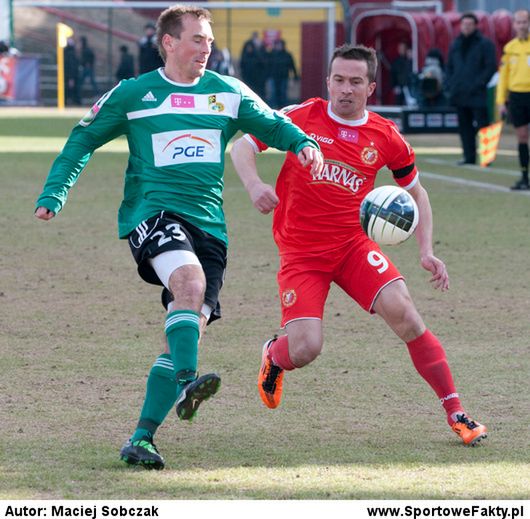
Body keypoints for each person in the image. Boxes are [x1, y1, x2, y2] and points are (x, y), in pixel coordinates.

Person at [35, 5, 323, 471]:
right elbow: (81, 139)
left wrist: (302, 143)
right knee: (187, 284)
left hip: (210, 229)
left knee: (184, 328)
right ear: (169, 42)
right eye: (196, 39)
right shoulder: (134, 94)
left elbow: (272, 123)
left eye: (209, 41)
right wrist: (56, 191)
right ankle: (190, 381)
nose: (206, 48)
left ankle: (141, 438)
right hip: (153, 213)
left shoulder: (227, 92)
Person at [230, 43, 488, 447]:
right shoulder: (302, 117)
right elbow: (243, 145)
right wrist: (254, 184)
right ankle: (274, 355)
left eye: (354, 82)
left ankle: (456, 411)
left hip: (353, 246)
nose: (344, 89)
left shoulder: (385, 135)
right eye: (337, 80)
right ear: (328, 81)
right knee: (306, 349)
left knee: (406, 315)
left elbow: (417, 194)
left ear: (370, 87)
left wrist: (426, 251)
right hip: (301, 253)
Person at [445, 12, 497, 165]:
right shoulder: (455, 44)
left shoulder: (485, 43)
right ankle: (469, 157)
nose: (466, 27)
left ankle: (487, 158)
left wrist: (479, 83)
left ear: (475, 26)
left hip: (477, 93)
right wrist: (451, 83)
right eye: (464, 24)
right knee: (464, 127)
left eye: (469, 24)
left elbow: (490, 67)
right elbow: (449, 66)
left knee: (483, 126)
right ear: (460, 26)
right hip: (459, 92)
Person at [496, 9, 530, 190]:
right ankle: (525, 177)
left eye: (524, 22)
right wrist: (501, 100)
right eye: (518, 22)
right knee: (522, 136)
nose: (522, 25)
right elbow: (504, 77)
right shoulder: (510, 48)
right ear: (514, 25)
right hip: (517, 96)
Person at [269, 39, 298, 108]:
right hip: (274, 77)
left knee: (283, 93)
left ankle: (283, 108)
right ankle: (274, 108)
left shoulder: (287, 55)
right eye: (277, 45)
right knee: (273, 93)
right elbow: (267, 66)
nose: (278, 46)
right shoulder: (271, 54)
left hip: (284, 77)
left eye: (280, 45)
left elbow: (292, 65)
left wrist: (295, 76)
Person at [390, 41, 413, 106]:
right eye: (400, 48)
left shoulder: (410, 61)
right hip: (399, 87)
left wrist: (410, 60)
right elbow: (393, 74)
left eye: (403, 48)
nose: (401, 50)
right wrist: (394, 86)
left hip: (409, 86)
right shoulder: (396, 62)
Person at [64, 37, 81, 106]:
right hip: (71, 75)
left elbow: (71, 66)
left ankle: (72, 101)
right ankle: (74, 101)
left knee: (70, 89)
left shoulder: (68, 53)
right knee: (72, 89)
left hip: (70, 75)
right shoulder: (71, 53)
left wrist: (71, 77)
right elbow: (72, 66)